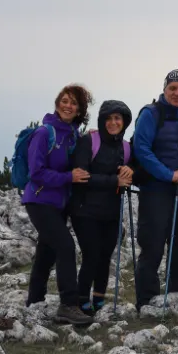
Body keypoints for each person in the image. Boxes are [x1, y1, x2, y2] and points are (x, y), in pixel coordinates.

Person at [22, 84, 93, 326]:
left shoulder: (72, 134)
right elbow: (36, 173)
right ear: (57, 103)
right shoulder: (44, 133)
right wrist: (68, 177)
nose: (68, 105)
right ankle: (68, 305)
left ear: (79, 110)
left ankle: (34, 301)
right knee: (65, 246)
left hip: (58, 204)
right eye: (64, 100)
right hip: (39, 200)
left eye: (73, 103)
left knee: (46, 251)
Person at [131, 69, 178, 308]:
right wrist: (168, 175)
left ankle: (175, 298)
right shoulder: (151, 114)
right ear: (164, 89)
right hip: (155, 190)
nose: (177, 93)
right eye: (173, 88)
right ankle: (146, 301)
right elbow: (142, 150)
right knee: (152, 245)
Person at [69, 99, 133, 316]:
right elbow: (82, 176)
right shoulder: (89, 141)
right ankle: (80, 298)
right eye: (109, 118)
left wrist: (129, 171)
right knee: (92, 254)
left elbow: (135, 171)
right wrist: (115, 181)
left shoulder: (126, 147)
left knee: (106, 254)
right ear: (102, 120)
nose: (113, 122)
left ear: (124, 122)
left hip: (111, 211)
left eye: (118, 118)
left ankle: (98, 297)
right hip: (84, 210)